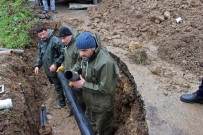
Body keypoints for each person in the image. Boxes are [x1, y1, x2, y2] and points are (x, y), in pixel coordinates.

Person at [70, 32, 119, 135]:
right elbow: (80, 63)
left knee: (103, 129)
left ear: (93, 47)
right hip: (90, 100)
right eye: (79, 50)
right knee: (89, 124)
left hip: (102, 105)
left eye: (84, 50)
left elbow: (105, 88)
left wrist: (84, 84)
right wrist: (73, 72)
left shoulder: (105, 63)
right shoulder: (85, 56)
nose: (81, 53)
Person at [34, 25, 66, 109]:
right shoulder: (41, 43)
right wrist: (37, 66)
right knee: (56, 85)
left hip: (59, 69)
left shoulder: (56, 41)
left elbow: (63, 54)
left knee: (60, 86)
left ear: (47, 31)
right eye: (40, 35)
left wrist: (56, 64)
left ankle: (62, 103)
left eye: (43, 34)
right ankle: (62, 99)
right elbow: (39, 55)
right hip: (48, 69)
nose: (42, 36)